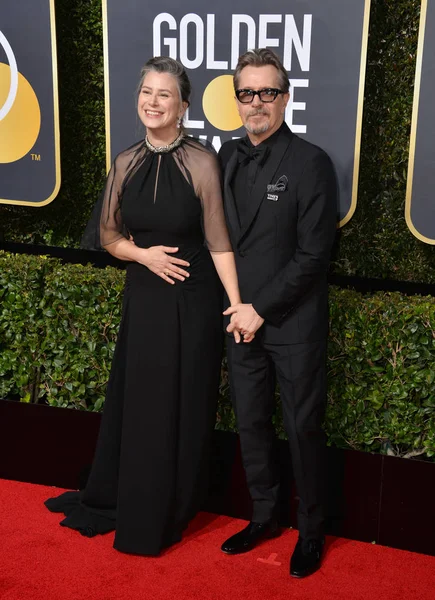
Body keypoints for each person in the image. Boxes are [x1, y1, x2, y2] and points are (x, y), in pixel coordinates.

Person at [45, 57, 242, 556]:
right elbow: (109, 236)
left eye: (164, 95)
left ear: (183, 106)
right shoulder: (126, 161)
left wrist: (237, 305)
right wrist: (143, 255)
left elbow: (219, 242)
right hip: (146, 295)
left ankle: (170, 504)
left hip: (192, 298)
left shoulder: (202, 162)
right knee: (142, 402)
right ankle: (130, 494)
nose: (152, 103)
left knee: (183, 400)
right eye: (146, 93)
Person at [218, 49, 337, 578]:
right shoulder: (225, 154)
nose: (257, 103)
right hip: (238, 321)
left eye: (268, 92)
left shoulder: (311, 162)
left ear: (285, 97)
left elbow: (314, 255)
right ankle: (264, 515)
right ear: (238, 100)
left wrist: (258, 309)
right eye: (248, 93)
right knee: (250, 423)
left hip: (290, 323)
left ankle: (311, 531)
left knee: (302, 426)